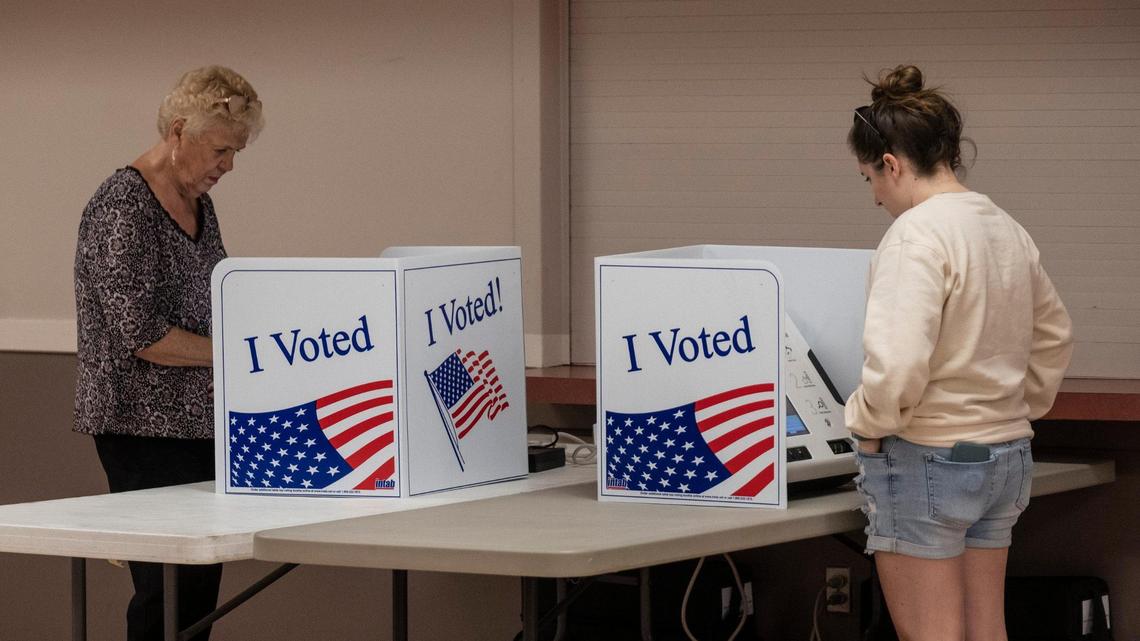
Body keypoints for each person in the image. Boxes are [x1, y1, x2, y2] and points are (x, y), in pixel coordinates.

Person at [844, 65, 1073, 641]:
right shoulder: (1005, 227)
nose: (874, 196)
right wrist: (1013, 409)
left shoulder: (915, 235)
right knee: (984, 630)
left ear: (892, 164)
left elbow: (897, 366)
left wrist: (867, 424)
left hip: (928, 456)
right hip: (1006, 455)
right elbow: (1054, 335)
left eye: (869, 178)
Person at [74, 65, 264, 641]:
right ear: (179, 130)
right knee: (165, 595)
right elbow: (142, 334)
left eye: (236, 153)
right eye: (221, 150)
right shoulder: (121, 206)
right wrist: (238, 355)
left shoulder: (199, 204)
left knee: (197, 596)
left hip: (198, 427)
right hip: (141, 431)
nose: (228, 165)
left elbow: (214, 300)